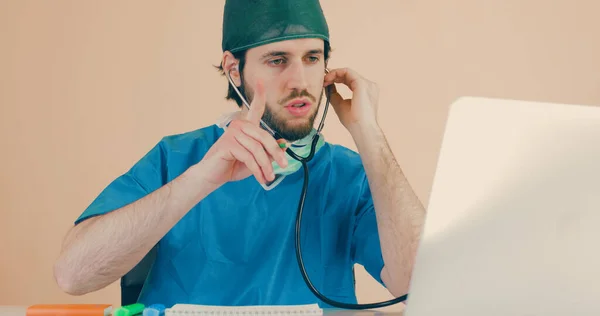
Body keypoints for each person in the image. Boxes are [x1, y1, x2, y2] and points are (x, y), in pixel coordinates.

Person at [53, 0, 425, 308]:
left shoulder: (350, 175)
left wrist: (369, 134)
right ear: (234, 70)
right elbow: (72, 275)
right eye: (278, 60)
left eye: (312, 58)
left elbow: (419, 285)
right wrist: (201, 179)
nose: (300, 80)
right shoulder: (179, 158)